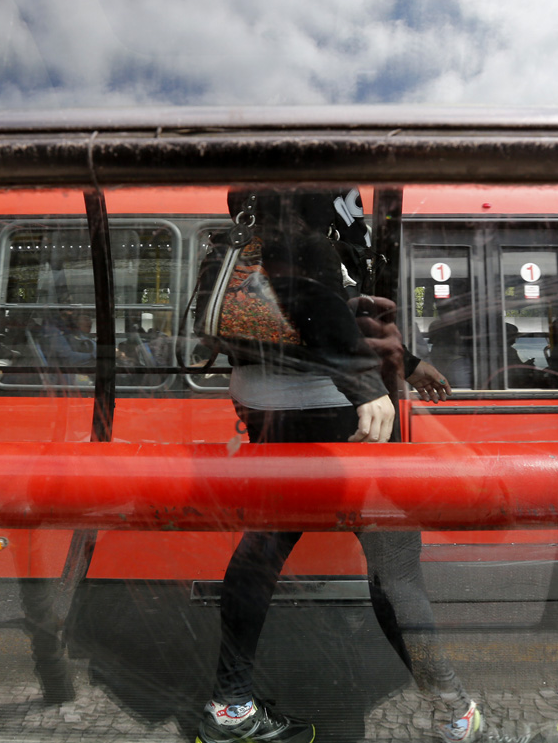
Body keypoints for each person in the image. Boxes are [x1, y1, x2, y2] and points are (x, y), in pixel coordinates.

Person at [195, 188, 487, 743]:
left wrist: (408, 362)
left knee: (262, 550)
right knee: (395, 567)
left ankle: (231, 705)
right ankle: (454, 714)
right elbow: (308, 288)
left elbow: (329, 305)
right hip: (330, 407)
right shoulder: (311, 189)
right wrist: (364, 384)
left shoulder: (255, 202)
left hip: (263, 402)